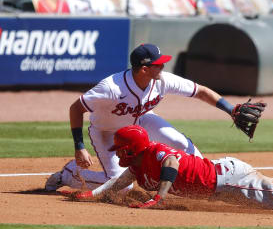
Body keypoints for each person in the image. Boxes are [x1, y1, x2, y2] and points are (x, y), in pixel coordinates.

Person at [45, 43, 259, 192]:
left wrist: (230, 110)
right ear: (145, 69)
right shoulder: (110, 88)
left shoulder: (162, 80)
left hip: (142, 120)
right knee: (121, 187)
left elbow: (201, 91)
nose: (163, 66)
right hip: (107, 131)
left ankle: (210, 180)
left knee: (178, 142)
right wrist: (79, 146)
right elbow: (76, 108)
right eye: (159, 64)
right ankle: (70, 174)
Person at [66, 123, 273, 209]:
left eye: (121, 148)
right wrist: (94, 196)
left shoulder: (157, 152)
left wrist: (159, 196)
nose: (117, 153)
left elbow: (172, 162)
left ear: (132, 147)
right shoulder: (138, 163)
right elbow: (119, 183)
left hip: (226, 180)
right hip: (220, 180)